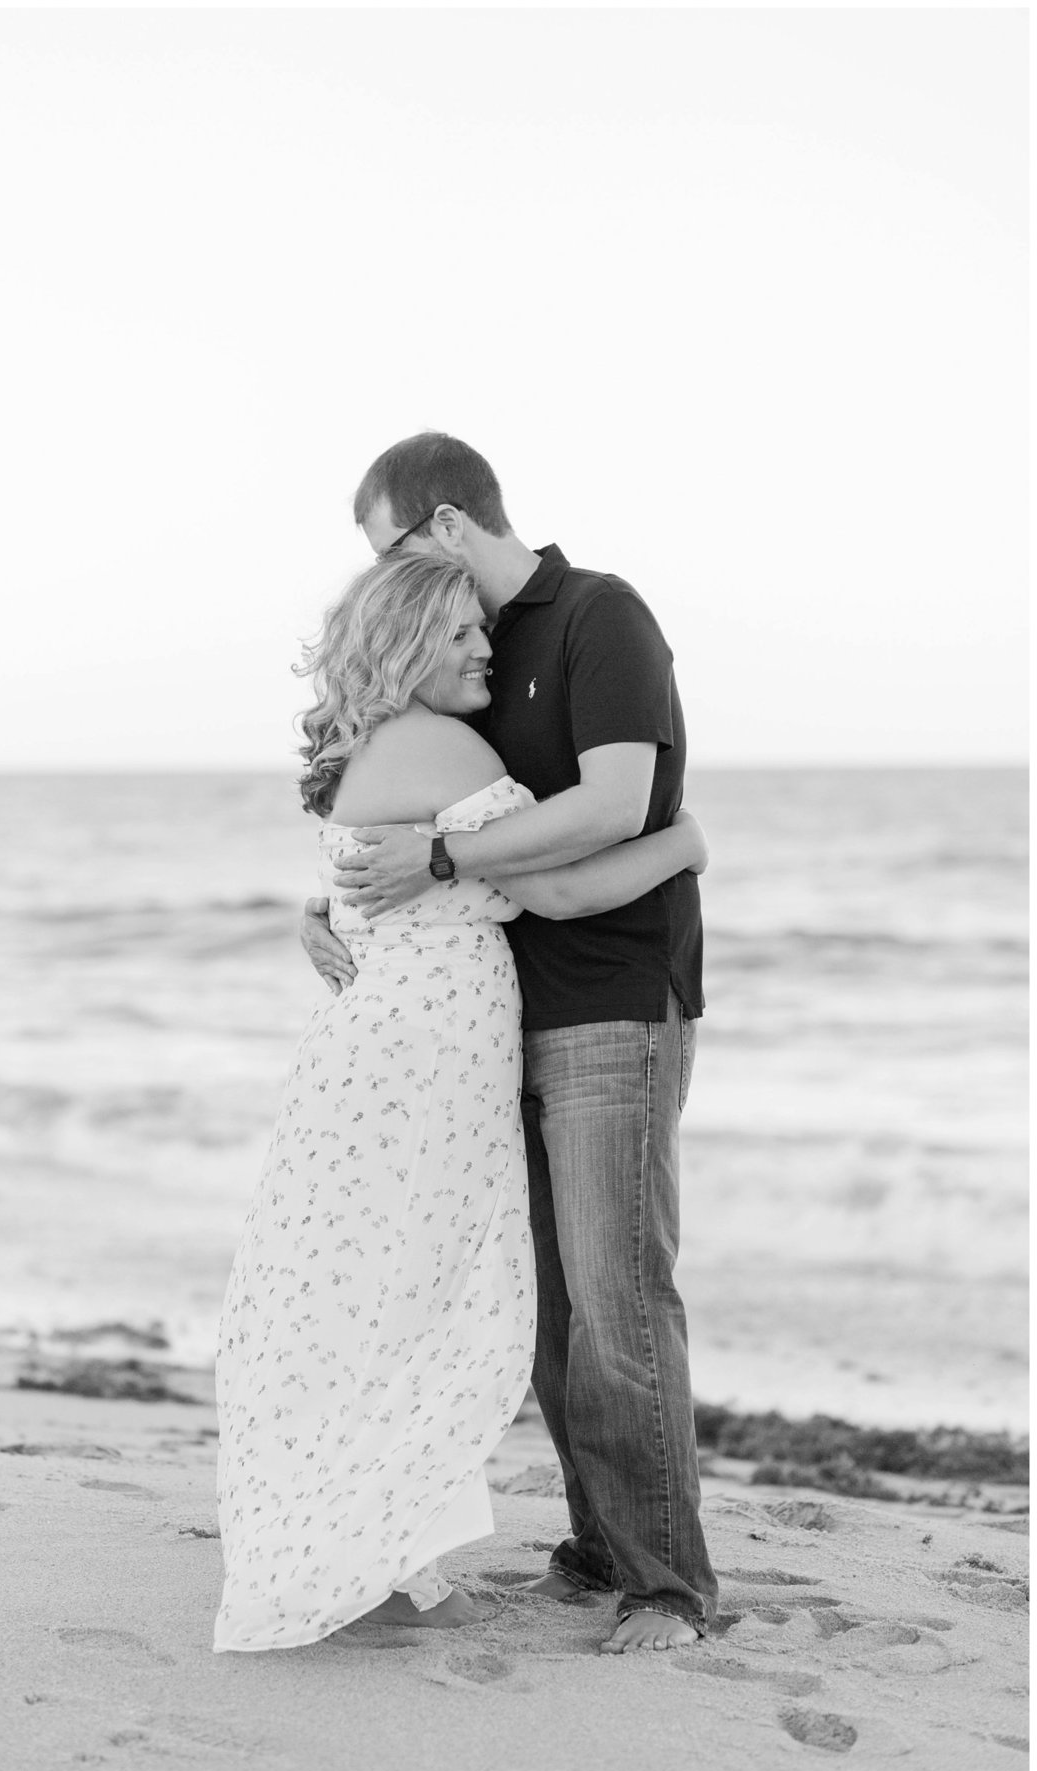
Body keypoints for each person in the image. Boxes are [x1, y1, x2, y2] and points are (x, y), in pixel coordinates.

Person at [215, 553, 708, 1652]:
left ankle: (381, 1557)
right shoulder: (446, 748)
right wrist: (685, 842)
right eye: (459, 636)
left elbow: (396, 883)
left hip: (388, 1057)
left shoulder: (385, 745)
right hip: (422, 1063)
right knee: (419, 1295)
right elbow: (569, 881)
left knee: (375, 1297)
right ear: (406, 649)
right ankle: (394, 1555)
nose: (486, 647)